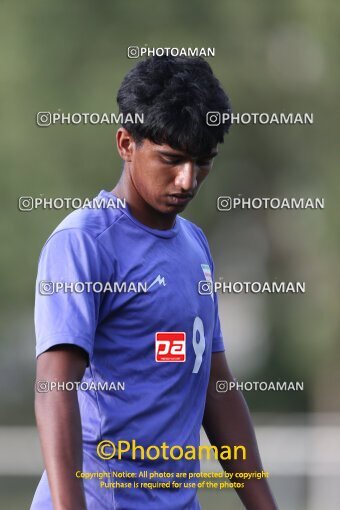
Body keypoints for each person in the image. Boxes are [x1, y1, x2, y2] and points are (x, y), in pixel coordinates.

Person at [31, 56, 278, 510]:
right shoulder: (83, 243)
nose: (188, 179)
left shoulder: (195, 245)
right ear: (126, 143)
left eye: (203, 162)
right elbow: (54, 389)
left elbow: (214, 386)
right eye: (172, 159)